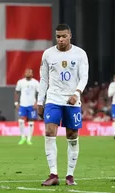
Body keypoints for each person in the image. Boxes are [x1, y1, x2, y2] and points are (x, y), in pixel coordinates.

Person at [37, 24, 89, 186]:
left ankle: (70, 175)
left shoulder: (80, 54)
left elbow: (84, 76)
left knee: (72, 136)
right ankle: (53, 174)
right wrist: (40, 101)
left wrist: (77, 93)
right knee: (49, 131)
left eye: (64, 36)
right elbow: (44, 79)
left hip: (72, 101)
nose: (60, 39)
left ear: (70, 35)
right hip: (53, 99)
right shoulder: (48, 54)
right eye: (58, 36)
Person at [15, 69, 39, 145]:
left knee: (31, 122)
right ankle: (22, 137)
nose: (28, 73)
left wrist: (37, 102)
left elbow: (40, 93)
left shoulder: (35, 82)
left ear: (32, 74)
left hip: (31, 105)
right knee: (21, 121)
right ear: (24, 73)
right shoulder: (20, 82)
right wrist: (16, 103)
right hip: (23, 105)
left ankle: (29, 139)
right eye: (27, 72)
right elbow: (17, 92)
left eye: (30, 72)